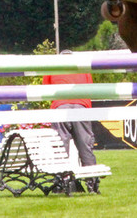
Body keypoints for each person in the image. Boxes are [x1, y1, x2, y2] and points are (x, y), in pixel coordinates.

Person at [43, 59, 100, 194]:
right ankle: (92, 184)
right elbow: (90, 87)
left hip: (60, 105)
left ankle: (60, 184)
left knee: (60, 147)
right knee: (85, 146)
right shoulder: (83, 67)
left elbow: (44, 89)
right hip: (81, 105)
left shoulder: (52, 66)